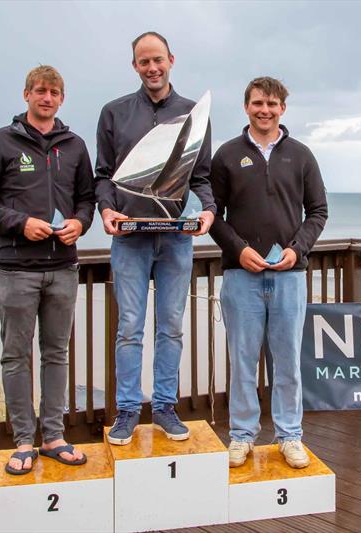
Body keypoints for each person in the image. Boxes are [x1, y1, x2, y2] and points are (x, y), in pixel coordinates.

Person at [0, 65, 95, 474]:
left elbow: (88, 199)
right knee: (16, 356)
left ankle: (54, 436)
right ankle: (24, 440)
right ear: (26, 95)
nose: (47, 97)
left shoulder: (74, 145)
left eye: (54, 92)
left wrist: (80, 223)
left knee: (56, 355)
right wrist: (20, 224)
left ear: (62, 98)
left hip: (63, 268)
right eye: (40, 90)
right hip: (16, 269)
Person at [95, 32, 215, 444]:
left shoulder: (193, 114)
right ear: (134, 66)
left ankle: (165, 406)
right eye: (144, 61)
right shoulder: (113, 113)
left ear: (171, 60)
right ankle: (127, 410)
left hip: (177, 240)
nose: (152, 67)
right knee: (129, 327)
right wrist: (107, 210)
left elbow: (202, 177)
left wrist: (210, 212)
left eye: (158, 60)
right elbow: (103, 176)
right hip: (130, 238)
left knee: (172, 327)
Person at [210, 77, 328, 468]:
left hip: (289, 277)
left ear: (283, 109)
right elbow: (213, 217)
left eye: (273, 104)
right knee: (242, 360)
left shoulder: (302, 155)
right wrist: (238, 250)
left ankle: (289, 435)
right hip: (241, 277)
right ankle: (242, 435)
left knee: (287, 361)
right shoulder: (226, 155)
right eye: (258, 103)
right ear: (246, 107)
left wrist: (297, 250)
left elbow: (318, 212)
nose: (265, 110)